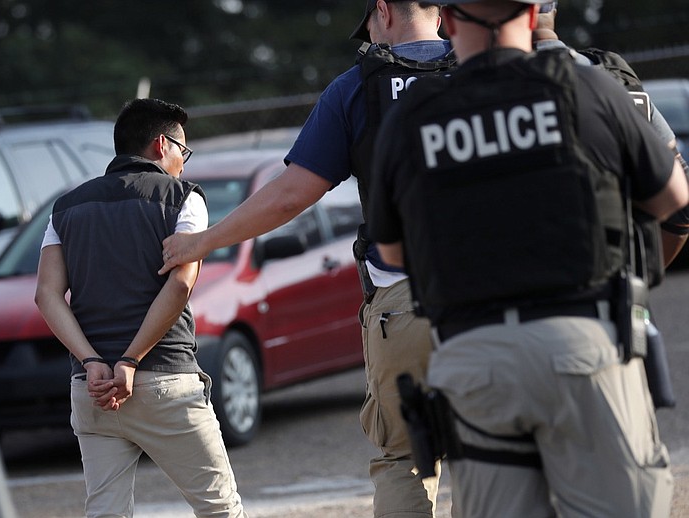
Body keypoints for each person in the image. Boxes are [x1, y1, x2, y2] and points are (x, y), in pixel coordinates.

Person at [367, 1, 688, 516]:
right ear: (535, 12)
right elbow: (674, 199)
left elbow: (392, 250)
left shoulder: (415, 115)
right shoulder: (588, 86)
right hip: (583, 343)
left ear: (447, 19)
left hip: (474, 358)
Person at [160, 2, 452, 516]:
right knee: (493, 450)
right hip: (496, 294)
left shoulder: (357, 87)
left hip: (405, 304)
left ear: (382, 10)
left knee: (406, 458)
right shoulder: (490, 68)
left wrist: (202, 242)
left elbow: (289, 195)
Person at [35, 98, 247, 518]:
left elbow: (46, 294)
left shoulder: (66, 207)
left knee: (106, 512)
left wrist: (92, 360)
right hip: (165, 377)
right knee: (219, 508)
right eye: (182, 152)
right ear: (160, 145)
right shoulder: (184, 198)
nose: (184, 164)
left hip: (92, 389)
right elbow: (181, 283)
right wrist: (130, 360)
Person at [533, 0, 689, 266]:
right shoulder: (612, 79)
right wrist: (638, 276)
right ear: (554, 12)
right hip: (611, 292)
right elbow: (681, 206)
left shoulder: (482, 95)